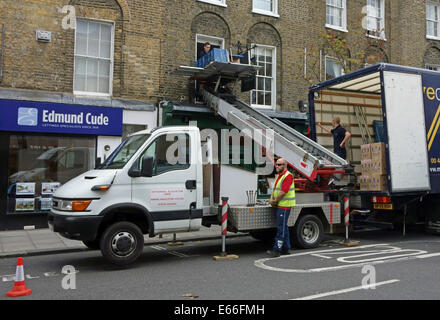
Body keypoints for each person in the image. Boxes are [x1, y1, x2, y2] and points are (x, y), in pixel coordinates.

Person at [267, 157, 296, 257]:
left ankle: (277, 249)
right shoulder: (280, 175)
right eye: (276, 164)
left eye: (279, 164)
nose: (277, 166)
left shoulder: (287, 176)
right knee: (284, 227)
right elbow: (276, 189)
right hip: (281, 205)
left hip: (284, 206)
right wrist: (272, 198)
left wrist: (275, 201)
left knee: (281, 228)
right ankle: (286, 248)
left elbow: (284, 191)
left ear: (285, 165)